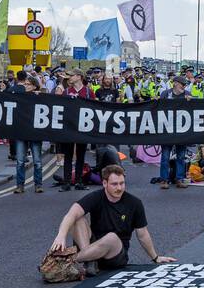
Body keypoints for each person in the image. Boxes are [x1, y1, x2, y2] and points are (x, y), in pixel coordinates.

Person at [48, 165, 176, 271]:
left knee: (111, 237)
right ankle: (90, 261)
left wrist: (155, 257)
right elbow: (72, 213)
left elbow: (142, 234)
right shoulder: (96, 197)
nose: (119, 188)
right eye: (114, 184)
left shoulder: (134, 203)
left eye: (122, 183)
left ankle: (64, 261)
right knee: (78, 218)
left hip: (115, 254)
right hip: (92, 246)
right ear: (104, 183)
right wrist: (61, 236)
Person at [157, 76, 192, 190]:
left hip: (182, 130)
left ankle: (179, 179)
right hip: (167, 130)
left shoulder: (187, 93)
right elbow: (158, 108)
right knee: (165, 156)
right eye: (182, 84)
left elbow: (194, 109)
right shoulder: (165, 94)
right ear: (175, 83)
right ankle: (164, 180)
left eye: (185, 84)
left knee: (181, 156)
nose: (184, 86)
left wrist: (191, 101)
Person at [60, 70, 92, 191]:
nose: (69, 78)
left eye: (71, 75)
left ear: (79, 76)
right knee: (68, 156)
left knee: (80, 156)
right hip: (69, 128)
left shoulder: (89, 92)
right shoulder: (66, 91)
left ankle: (79, 181)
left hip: (83, 129)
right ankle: (66, 182)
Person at [14, 77, 46, 194]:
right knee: (20, 161)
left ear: (34, 86)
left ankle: (38, 185)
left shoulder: (39, 97)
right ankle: (20, 185)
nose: (26, 86)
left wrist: (40, 95)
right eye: (25, 84)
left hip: (35, 134)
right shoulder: (19, 97)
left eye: (29, 85)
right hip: (21, 133)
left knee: (37, 161)